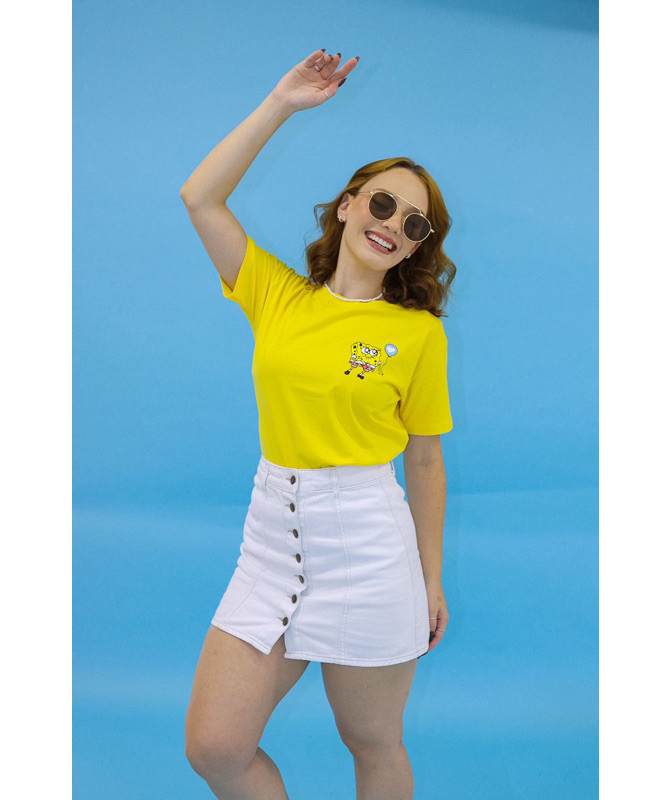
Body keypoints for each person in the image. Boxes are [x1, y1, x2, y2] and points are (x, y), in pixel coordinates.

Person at [180, 48, 456, 800]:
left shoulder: (418, 335)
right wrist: (281, 103)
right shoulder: (277, 295)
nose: (392, 225)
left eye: (413, 223)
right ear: (346, 206)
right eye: (381, 204)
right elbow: (200, 198)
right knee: (216, 747)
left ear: (416, 246)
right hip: (272, 536)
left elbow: (425, 462)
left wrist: (430, 579)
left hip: (369, 546)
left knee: (372, 741)